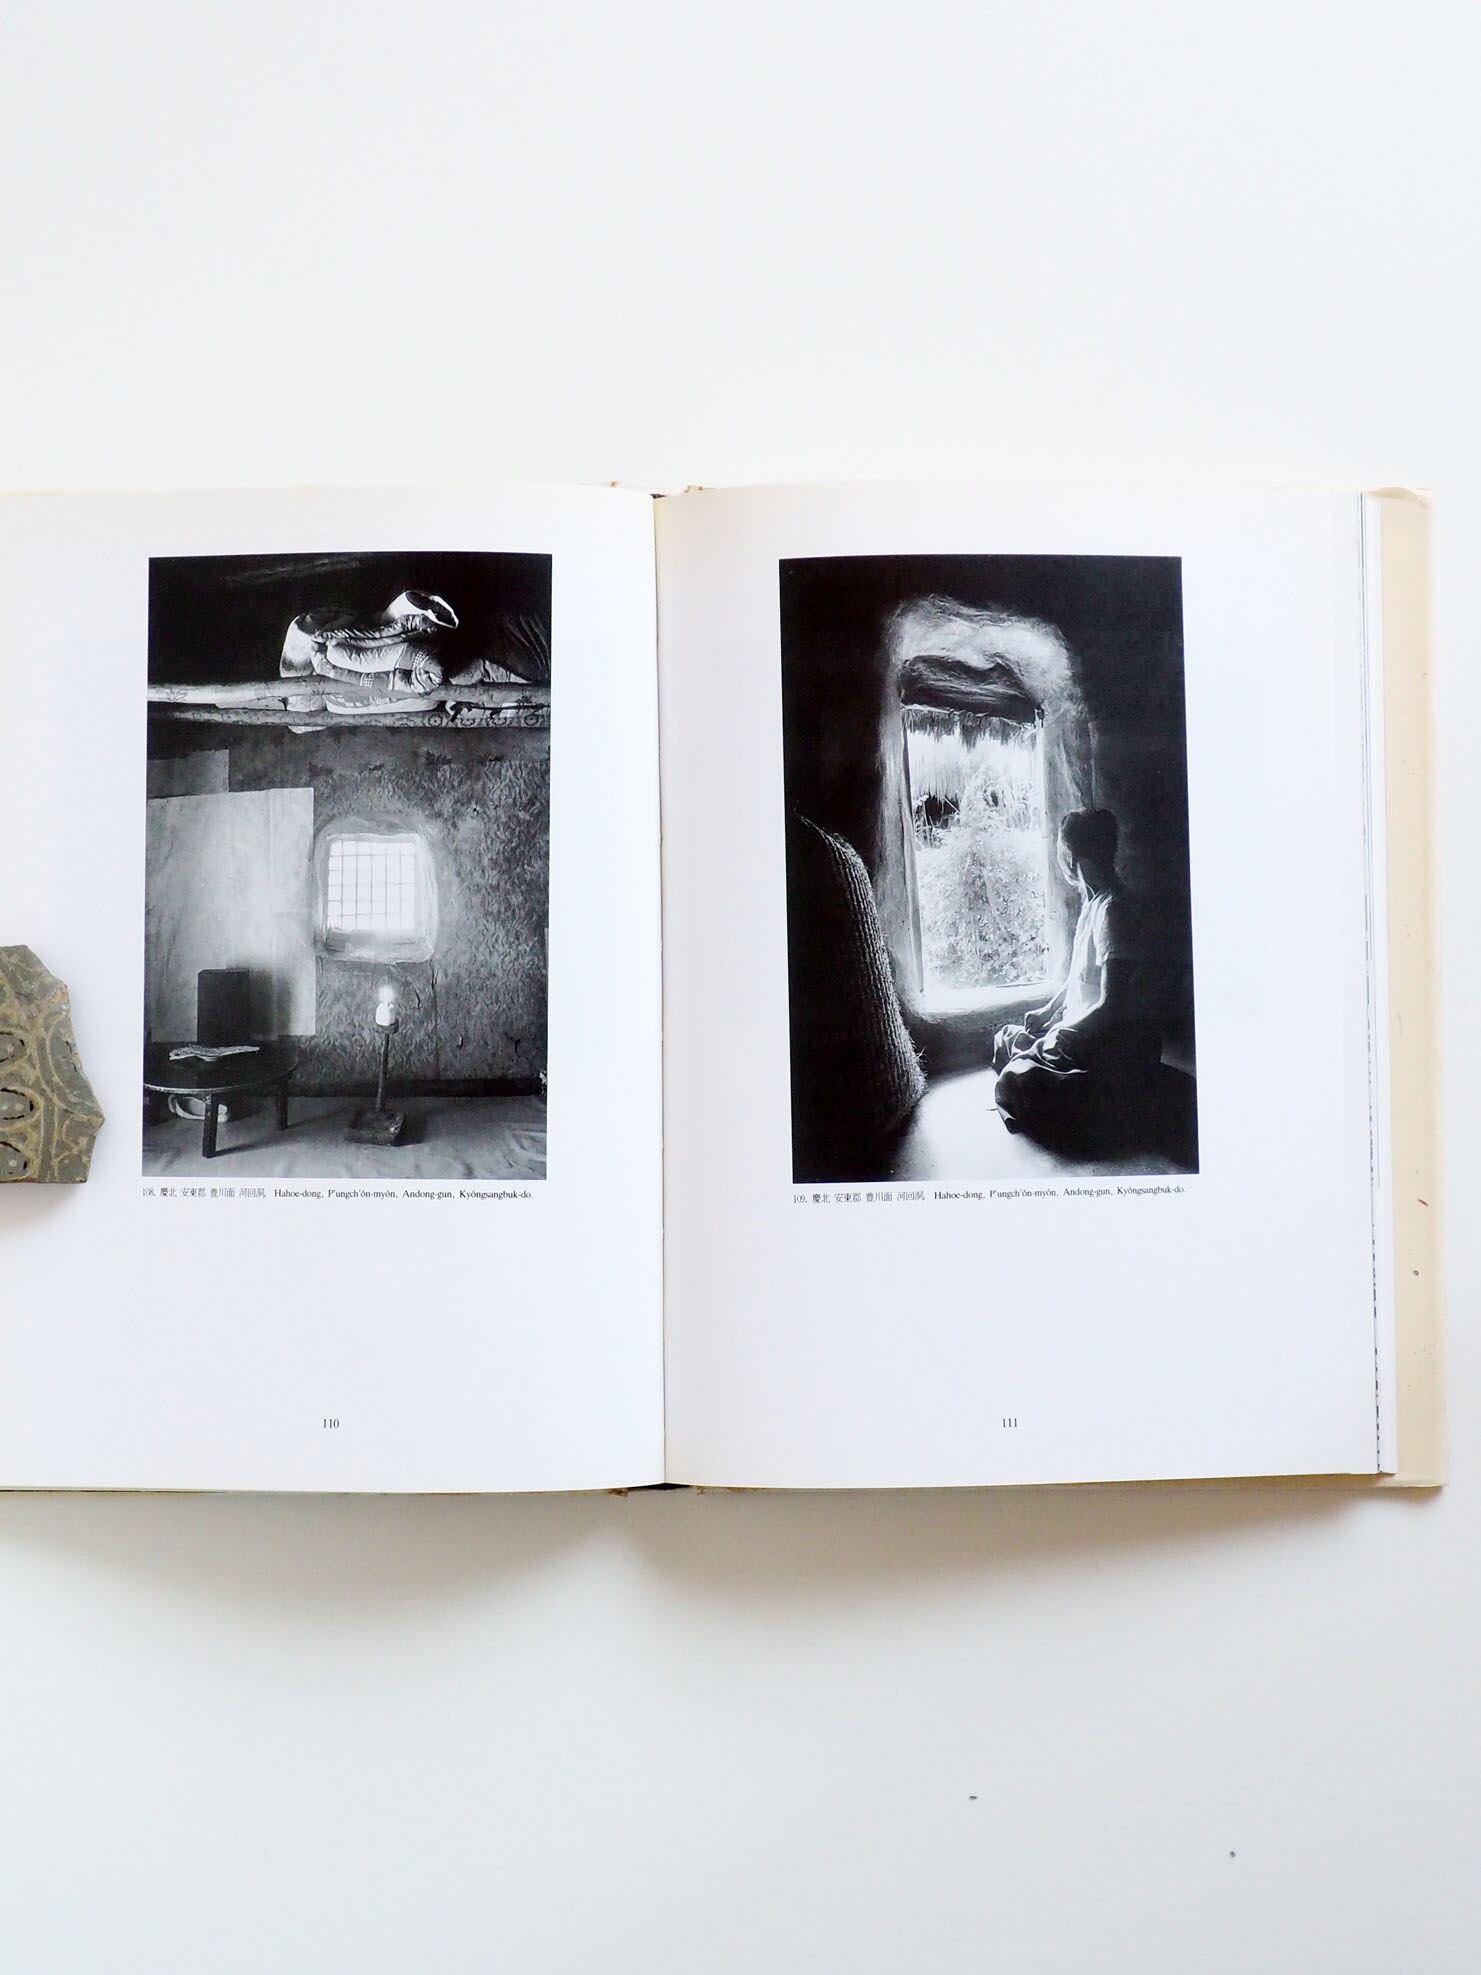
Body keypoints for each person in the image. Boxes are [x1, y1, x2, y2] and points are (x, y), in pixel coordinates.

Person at [991, 807, 1160, 1147]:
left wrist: (1060, 1034)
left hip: (1111, 1040)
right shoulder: (1093, 902)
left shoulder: (1114, 911)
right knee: (1006, 1037)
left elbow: (1112, 1006)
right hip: (1082, 1028)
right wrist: (1048, 1012)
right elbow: (1079, 976)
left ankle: (1093, 1097)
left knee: (1014, 1080)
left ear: (1070, 856)